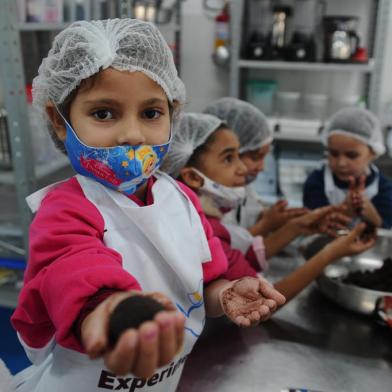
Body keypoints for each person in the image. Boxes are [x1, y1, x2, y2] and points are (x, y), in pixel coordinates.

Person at [10, 19, 285, 392]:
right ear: (60, 122)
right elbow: (75, 275)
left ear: (173, 112)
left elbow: (202, 280)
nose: (132, 134)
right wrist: (112, 316)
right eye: (104, 113)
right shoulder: (65, 209)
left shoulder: (181, 200)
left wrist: (224, 294)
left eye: (151, 113)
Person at [162, 112, 375, 301]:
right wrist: (330, 254)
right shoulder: (200, 230)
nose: (243, 168)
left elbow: (239, 261)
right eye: (229, 159)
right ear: (192, 177)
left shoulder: (200, 219)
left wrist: (297, 227)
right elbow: (264, 300)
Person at [204, 97, 307, 239]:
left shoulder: (241, 187)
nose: (262, 167)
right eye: (255, 157)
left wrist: (292, 218)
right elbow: (228, 249)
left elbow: (254, 213)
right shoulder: (203, 203)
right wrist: (266, 225)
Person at [303, 107, 392, 228]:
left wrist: (372, 215)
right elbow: (313, 225)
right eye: (333, 154)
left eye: (351, 155)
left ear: (373, 153)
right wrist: (346, 211)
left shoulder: (383, 188)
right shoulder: (317, 181)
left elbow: (385, 230)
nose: (341, 163)